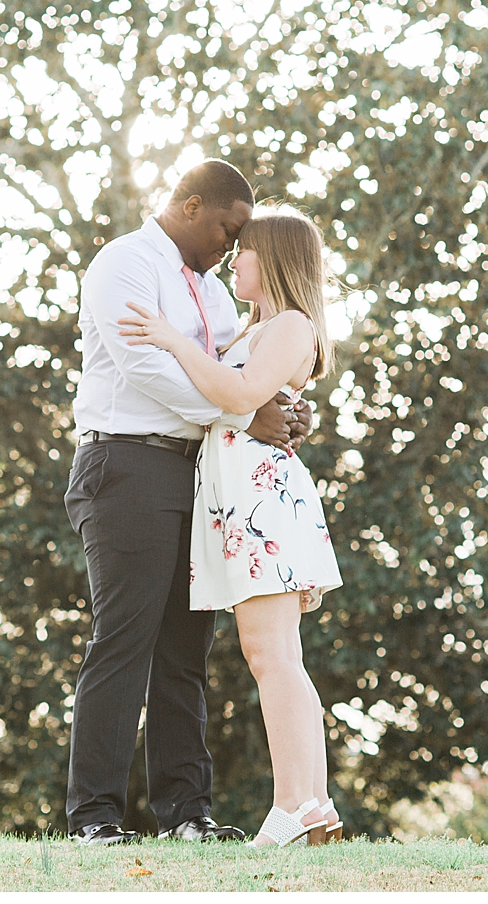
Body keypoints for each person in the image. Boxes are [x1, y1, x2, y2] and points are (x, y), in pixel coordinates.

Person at [64, 160, 312, 847]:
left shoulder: (213, 291)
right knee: (124, 640)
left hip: (198, 473)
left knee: (185, 650)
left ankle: (186, 814)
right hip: (126, 463)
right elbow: (148, 368)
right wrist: (242, 414)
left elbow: (235, 376)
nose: (231, 247)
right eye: (228, 229)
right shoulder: (125, 263)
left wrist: (279, 406)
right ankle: (95, 817)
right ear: (191, 203)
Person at [118, 204, 344, 847]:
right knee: (269, 653)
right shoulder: (264, 328)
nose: (232, 259)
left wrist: (170, 339)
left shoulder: (292, 326)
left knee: (273, 654)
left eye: (243, 250)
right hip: (242, 497)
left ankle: (297, 805)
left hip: (262, 501)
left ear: (271, 258)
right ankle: (310, 804)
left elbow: (240, 398)